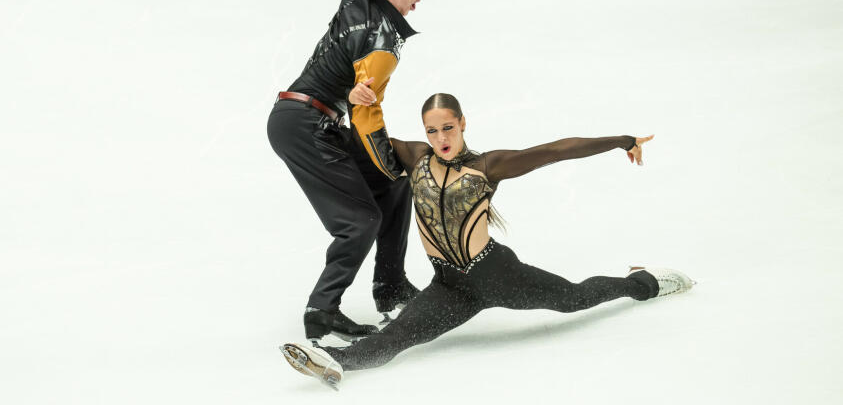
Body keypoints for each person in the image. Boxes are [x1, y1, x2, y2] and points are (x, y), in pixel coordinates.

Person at [279, 93, 696, 390]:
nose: (441, 137)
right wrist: (356, 103)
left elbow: (556, 150)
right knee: (399, 336)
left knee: (574, 298)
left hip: (498, 275)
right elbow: (364, 138)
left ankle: (645, 283)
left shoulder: (487, 167)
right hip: (449, 286)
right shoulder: (415, 158)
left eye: (448, 127)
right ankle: (336, 362)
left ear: (462, 124)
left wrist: (622, 141)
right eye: (432, 130)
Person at [267, 0, 424, 344]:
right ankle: (322, 311)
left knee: (393, 188)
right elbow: (367, 117)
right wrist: (389, 159)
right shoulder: (382, 44)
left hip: (306, 117)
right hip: (305, 125)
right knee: (360, 219)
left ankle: (391, 287)